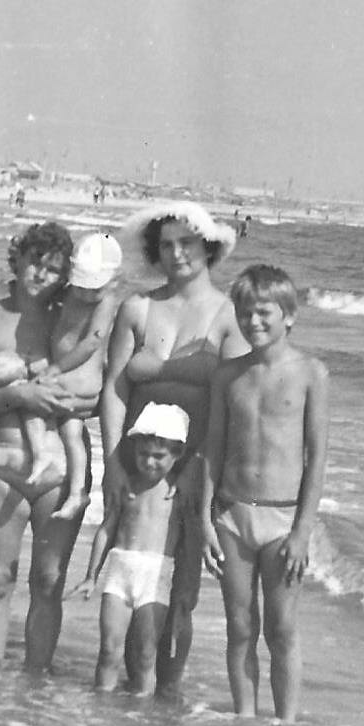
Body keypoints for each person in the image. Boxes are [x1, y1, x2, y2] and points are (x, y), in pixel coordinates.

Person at [101, 200, 249, 700]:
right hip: (139, 468)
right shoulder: (137, 309)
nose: (177, 253)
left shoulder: (229, 316)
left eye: (187, 243)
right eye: (166, 245)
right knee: (131, 586)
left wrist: (199, 469)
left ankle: (165, 701)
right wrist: (112, 462)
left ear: (208, 248)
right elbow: (115, 390)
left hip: (197, 469)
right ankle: (128, 704)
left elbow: (231, 406)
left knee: (179, 595)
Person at [0, 221, 107, 672]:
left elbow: (99, 390)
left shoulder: (71, 319)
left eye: (53, 269)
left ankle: (36, 685)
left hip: (61, 471)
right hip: (0, 464)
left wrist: (76, 402)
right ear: (18, 259)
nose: (40, 274)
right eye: (34, 262)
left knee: (48, 582)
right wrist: (19, 397)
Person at [200, 265, 330, 722]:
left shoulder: (311, 373)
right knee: (239, 627)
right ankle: (244, 721)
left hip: (283, 519)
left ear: (289, 315)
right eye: (244, 313)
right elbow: (212, 450)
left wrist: (302, 531)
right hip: (232, 516)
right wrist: (205, 521)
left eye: (263, 313)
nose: (252, 321)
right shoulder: (228, 375)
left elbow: (317, 457)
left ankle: (286, 724)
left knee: (282, 629)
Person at [0, 231, 127, 523]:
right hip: (7, 462)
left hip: (75, 383)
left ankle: (60, 473)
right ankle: (66, 480)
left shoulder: (101, 302)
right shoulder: (65, 298)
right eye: (81, 286)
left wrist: (54, 369)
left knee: (43, 408)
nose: (86, 294)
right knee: (59, 425)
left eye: (93, 289)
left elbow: (93, 343)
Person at [71, 404, 197, 694]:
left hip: (155, 579)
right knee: (108, 651)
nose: (149, 462)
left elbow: (189, 544)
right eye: (143, 454)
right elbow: (106, 530)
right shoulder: (126, 486)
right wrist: (91, 576)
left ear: (177, 454)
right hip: (119, 574)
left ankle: (140, 712)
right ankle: (100, 705)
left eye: (158, 456)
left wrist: (187, 589)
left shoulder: (177, 495)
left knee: (145, 655)